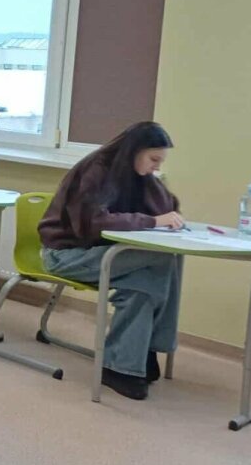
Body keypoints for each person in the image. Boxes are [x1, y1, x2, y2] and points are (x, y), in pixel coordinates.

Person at [39, 121, 182, 401]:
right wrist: (153, 221)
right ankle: (144, 350)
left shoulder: (138, 174)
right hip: (66, 254)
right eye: (153, 159)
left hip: (104, 254)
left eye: (160, 162)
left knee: (142, 284)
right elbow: (92, 223)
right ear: (134, 151)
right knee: (161, 258)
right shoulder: (96, 170)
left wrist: (169, 215)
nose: (156, 167)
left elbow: (167, 206)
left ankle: (126, 361)